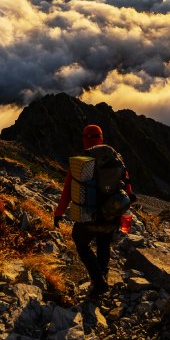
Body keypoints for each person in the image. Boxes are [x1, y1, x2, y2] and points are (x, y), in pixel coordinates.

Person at [54, 124, 134, 297]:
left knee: (81, 242)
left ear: (84, 138)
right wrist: (124, 211)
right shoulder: (115, 157)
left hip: (89, 216)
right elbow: (127, 187)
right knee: (103, 244)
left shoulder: (82, 161)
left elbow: (67, 192)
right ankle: (102, 279)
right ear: (101, 138)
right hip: (112, 214)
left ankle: (98, 282)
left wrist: (58, 213)